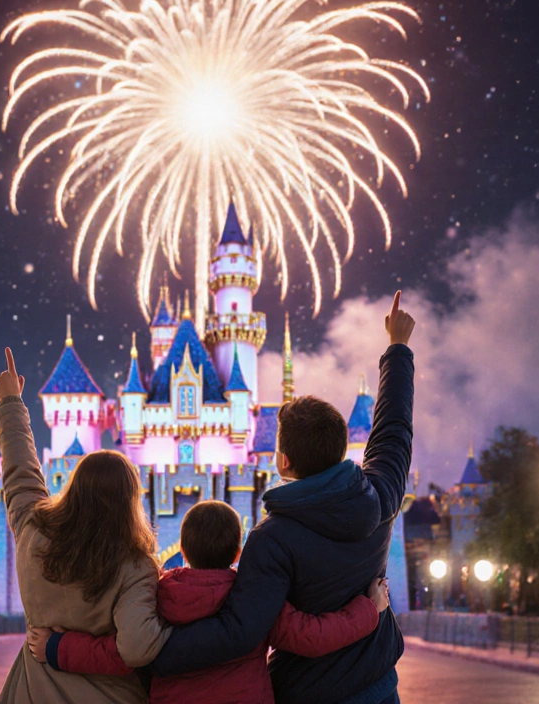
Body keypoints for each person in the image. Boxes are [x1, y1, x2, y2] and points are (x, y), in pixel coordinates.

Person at [148, 291, 416, 704]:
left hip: (307, 692)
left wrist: (143, 653)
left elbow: (239, 632)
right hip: (379, 687)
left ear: (283, 462)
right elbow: (394, 430)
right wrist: (398, 348)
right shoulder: (380, 496)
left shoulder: (271, 539)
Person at [27, 500, 390, 704]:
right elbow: (310, 636)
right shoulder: (253, 597)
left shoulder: (157, 598)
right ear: (237, 552)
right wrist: (368, 610)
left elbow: (120, 653)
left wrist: (58, 647)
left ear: (182, 550)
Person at [0, 348, 169, 704]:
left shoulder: (33, 531)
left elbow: (20, 474)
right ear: (130, 502)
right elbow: (135, 649)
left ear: (73, 486)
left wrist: (10, 402)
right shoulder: (135, 566)